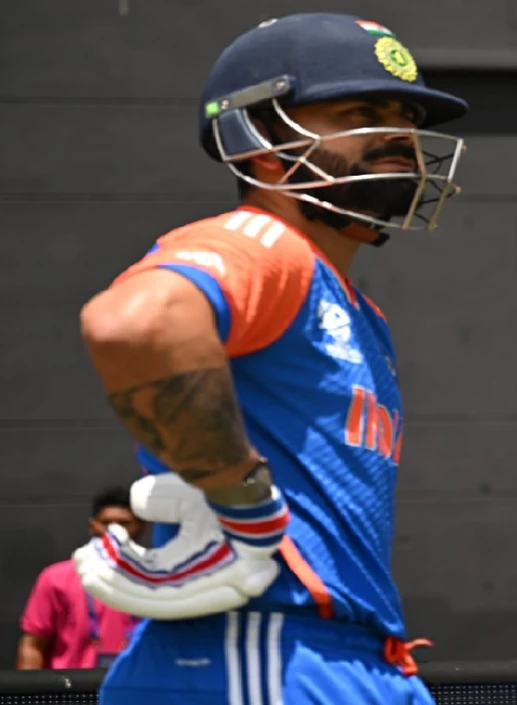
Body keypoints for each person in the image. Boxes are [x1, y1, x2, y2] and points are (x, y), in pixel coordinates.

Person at [71, 12, 468, 705]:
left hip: (350, 656)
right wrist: (242, 499)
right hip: (256, 652)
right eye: (361, 113)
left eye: (405, 117)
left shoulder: (353, 305)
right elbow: (137, 322)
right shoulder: (265, 243)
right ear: (260, 144)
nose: (399, 136)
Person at [18, 487, 145, 670]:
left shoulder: (157, 581)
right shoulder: (56, 577)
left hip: (139, 686)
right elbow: (33, 645)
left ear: (141, 526)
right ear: (93, 526)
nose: (115, 532)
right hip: (72, 685)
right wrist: (30, 688)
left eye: (124, 524)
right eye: (106, 523)